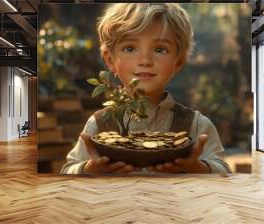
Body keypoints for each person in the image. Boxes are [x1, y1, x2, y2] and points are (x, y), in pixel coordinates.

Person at [60, 3, 231, 176]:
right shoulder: (98, 123)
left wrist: (196, 167)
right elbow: (67, 172)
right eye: (130, 48)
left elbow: (225, 173)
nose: (145, 60)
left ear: (178, 62)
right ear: (110, 59)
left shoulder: (197, 126)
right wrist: (89, 168)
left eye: (159, 49)